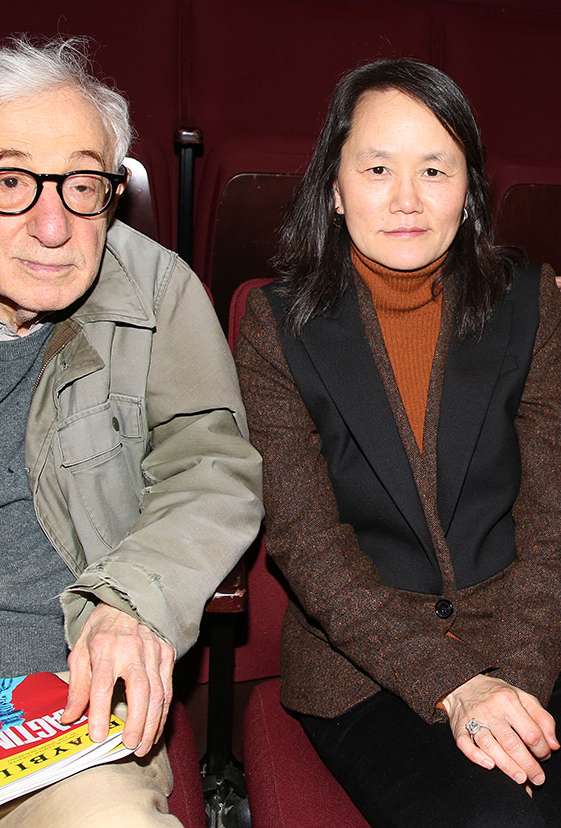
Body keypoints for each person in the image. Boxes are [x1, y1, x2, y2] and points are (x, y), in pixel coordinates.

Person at [0, 36, 263, 827]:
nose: (54, 225)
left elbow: (209, 465)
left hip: (70, 699)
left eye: (82, 184)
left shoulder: (157, 294)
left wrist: (134, 602)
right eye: (11, 181)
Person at [235, 58, 561, 827]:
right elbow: (308, 546)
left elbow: (550, 524)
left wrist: (514, 680)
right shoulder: (277, 327)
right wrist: (458, 685)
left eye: (434, 170)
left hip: (529, 634)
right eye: (378, 168)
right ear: (336, 189)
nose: (407, 199)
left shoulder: (530, 303)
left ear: (470, 192)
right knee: (501, 818)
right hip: (368, 669)